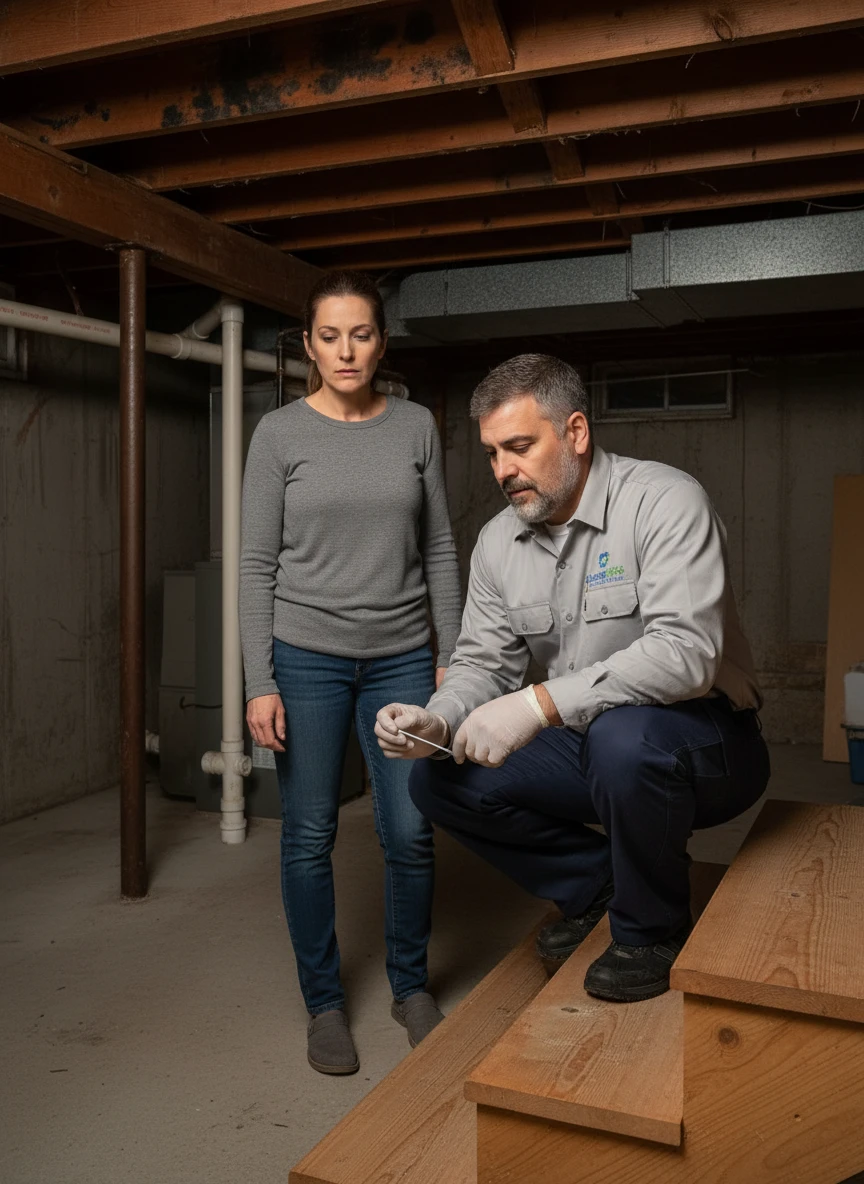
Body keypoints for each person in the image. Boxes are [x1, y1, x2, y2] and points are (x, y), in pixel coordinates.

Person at [375, 353, 770, 1003]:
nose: (504, 470)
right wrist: (440, 719)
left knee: (624, 737)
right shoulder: (501, 543)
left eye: (521, 447)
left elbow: (687, 654)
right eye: (493, 453)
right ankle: (596, 887)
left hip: (709, 741)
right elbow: (481, 661)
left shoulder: (665, 502)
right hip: (591, 738)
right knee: (440, 778)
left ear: (577, 433)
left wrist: (533, 705)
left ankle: (652, 929)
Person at [240, 270, 461, 1074]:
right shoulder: (279, 436)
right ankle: (325, 1005)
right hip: (305, 657)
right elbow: (255, 563)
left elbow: (439, 545)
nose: (346, 350)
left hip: (403, 653)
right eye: (329, 336)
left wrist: (455, 652)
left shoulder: (415, 428)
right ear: (309, 345)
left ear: (381, 340)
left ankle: (410, 988)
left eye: (360, 334)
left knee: (408, 829)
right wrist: (257, 679)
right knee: (309, 833)